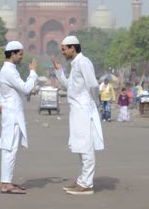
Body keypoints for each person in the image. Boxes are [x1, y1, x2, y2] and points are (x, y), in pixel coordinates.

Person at [52, 35, 104, 195]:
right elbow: (70, 86)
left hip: (84, 109)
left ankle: (87, 183)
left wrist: (95, 102)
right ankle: (82, 179)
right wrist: (59, 71)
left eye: (64, 49)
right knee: (81, 146)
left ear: (72, 48)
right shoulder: (76, 64)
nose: (62, 52)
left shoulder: (83, 62)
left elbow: (94, 85)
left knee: (86, 147)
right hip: (76, 110)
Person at [0, 41, 38, 195]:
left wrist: (1, 104)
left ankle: (7, 181)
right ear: (12, 53)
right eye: (20, 54)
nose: (21, 57)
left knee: (10, 148)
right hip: (12, 115)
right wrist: (33, 72)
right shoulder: (9, 71)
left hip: (11, 113)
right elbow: (26, 89)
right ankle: (6, 185)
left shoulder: (8, 70)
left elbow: (2, 92)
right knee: (10, 149)